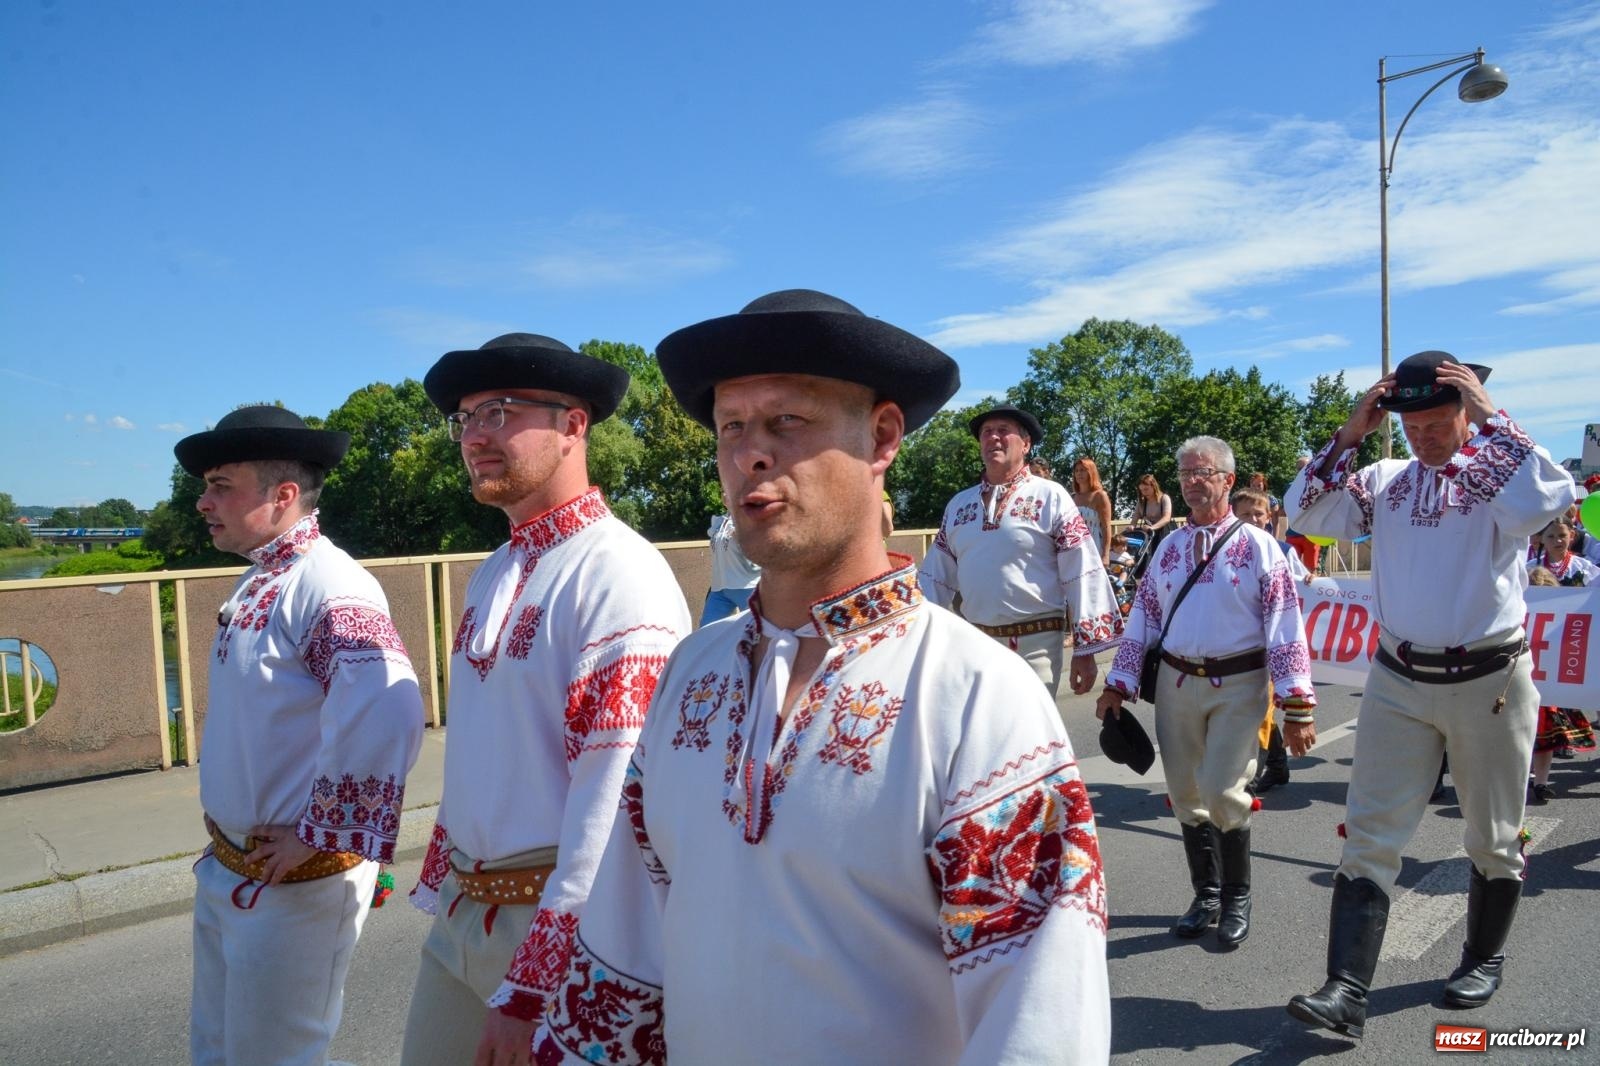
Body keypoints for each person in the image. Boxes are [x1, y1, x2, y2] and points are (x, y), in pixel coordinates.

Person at [533, 288, 1111, 1064]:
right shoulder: (690, 674)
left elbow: (1037, 1019)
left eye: (786, 421)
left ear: (882, 436)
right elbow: (625, 951)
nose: (750, 453)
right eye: (731, 427)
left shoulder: (977, 697)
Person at [401, 333, 691, 1066]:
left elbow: (615, 798)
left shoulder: (619, 574)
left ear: (573, 425)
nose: (474, 436)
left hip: (556, 925)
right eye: (466, 418)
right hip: (464, 914)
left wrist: (536, 981)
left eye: (499, 412)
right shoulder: (497, 567)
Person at [1284, 350, 1574, 1038]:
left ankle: (1482, 957)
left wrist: (1492, 420)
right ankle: (1345, 988)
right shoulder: (1385, 480)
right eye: (1411, 425)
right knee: (1369, 833)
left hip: (1489, 682)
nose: (1424, 437)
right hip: (1399, 680)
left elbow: (1547, 500)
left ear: (1465, 413)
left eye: (1437, 422)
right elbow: (1308, 511)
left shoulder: (1494, 477)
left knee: (1493, 836)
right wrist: (1350, 435)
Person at [176, 406, 425, 1066]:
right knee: (218, 1050)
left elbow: (389, 708)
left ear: (283, 494)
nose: (203, 502)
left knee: (276, 1057)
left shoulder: (329, 584)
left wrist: (323, 832)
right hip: (236, 870)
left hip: (294, 887)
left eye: (221, 485)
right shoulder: (263, 576)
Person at [1096, 438, 1315, 950]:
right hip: (1175, 685)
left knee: (1222, 790)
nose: (1192, 481)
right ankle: (1207, 894)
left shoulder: (1259, 547)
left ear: (1228, 480)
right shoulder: (1169, 548)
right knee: (1186, 795)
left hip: (1239, 685)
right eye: (1185, 473)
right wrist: (1117, 684)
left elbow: (1285, 626)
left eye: (1204, 473)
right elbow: (1144, 617)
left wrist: (1297, 705)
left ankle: (1238, 896)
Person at [919, 403, 1123, 698]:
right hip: (976, 645)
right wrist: (911, 636)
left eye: (1003, 430)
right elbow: (935, 577)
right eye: (986, 432)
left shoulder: (1050, 495)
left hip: (1036, 645)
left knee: (1031, 728)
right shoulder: (959, 505)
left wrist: (1085, 648)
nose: (993, 437)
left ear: (1026, 444)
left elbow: (1081, 570)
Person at [1232, 487, 1313, 795]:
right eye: (1245, 514)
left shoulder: (1283, 550)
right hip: (1238, 646)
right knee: (1259, 710)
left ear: (1269, 517)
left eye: (1258, 514)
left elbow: (1303, 585)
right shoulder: (1224, 551)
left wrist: (1312, 582)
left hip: (1271, 648)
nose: (1253, 519)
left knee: (1260, 714)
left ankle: (1251, 780)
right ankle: (1278, 767)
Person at [701, 504, 761, 626]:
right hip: (719, 588)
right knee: (707, 629)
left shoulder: (750, 518)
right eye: (723, 493)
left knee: (755, 630)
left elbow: (760, 553)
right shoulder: (719, 522)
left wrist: (742, 538)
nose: (725, 495)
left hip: (747, 587)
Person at [1071, 456, 1114, 567]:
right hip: (1075, 546)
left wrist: (1106, 554)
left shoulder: (1100, 496)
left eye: (1083, 470)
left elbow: (1106, 527)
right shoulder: (1072, 497)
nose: (1079, 473)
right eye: (1076, 471)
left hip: (1094, 544)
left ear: (1091, 472)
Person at [1129, 472, 1173, 580]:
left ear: (1153, 486)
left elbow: (1166, 518)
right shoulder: (1141, 502)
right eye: (1141, 490)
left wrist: (1152, 527)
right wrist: (1132, 526)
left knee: (1161, 558)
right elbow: (1135, 517)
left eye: (1146, 489)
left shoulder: (1164, 498)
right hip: (1149, 533)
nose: (1144, 492)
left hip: (1164, 532)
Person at [1281, 454, 1320, 573]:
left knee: (1310, 571)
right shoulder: (1289, 487)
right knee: (1290, 569)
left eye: (1305, 467)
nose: (1302, 471)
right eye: (1299, 469)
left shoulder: (1319, 485)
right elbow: (1287, 509)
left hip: (1311, 535)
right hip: (1293, 534)